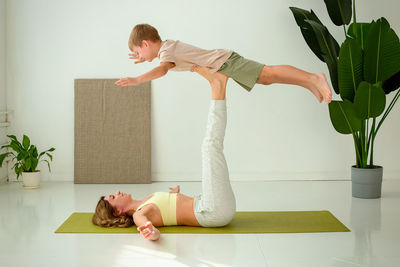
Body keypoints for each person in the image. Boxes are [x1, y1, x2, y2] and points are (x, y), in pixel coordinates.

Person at [93, 71, 236, 241]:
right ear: (117, 211)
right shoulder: (139, 214)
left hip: (209, 205)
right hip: (212, 211)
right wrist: (152, 233)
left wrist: (175, 195)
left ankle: (218, 86)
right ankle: (217, 87)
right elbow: (149, 229)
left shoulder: (144, 202)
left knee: (211, 147)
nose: (117, 192)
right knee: (210, 146)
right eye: (113, 197)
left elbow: (168, 210)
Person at [114, 23, 332, 104]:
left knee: (267, 72)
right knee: (266, 80)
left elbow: (162, 71)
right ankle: (308, 83)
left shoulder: (166, 52)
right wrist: (145, 58)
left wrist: (137, 80)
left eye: (138, 52)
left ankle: (314, 78)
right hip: (223, 64)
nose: (139, 56)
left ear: (145, 43)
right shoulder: (166, 50)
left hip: (224, 62)